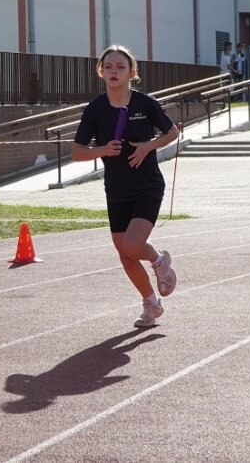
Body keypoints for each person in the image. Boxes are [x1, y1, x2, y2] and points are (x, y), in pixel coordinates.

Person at [71, 44, 179, 327]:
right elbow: (77, 152)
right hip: (116, 189)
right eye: (108, 67)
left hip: (147, 185)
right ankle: (151, 304)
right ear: (101, 72)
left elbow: (172, 132)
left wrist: (148, 146)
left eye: (120, 67)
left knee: (133, 245)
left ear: (132, 72)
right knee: (126, 256)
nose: (114, 71)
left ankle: (158, 260)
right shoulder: (95, 109)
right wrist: (103, 150)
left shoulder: (145, 104)